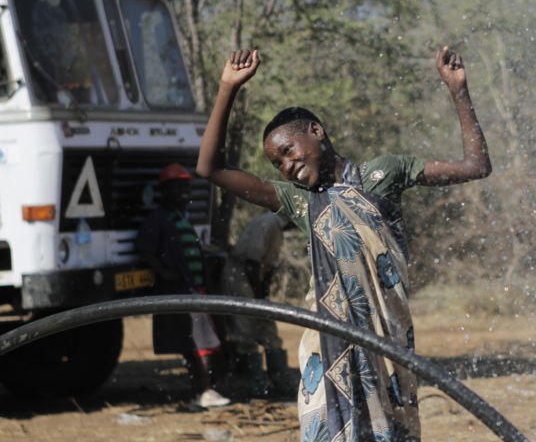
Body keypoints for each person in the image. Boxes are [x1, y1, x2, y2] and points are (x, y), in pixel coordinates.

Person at [197, 46, 489, 441]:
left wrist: (458, 92)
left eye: (288, 151)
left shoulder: (385, 173)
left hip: (387, 341)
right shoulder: (299, 202)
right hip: (327, 346)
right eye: (277, 165)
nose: (287, 166)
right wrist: (227, 88)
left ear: (316, 131)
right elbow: (210, 168)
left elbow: (476, 166)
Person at [136, 162, 231, 408]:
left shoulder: (181, 218)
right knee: (202, 342)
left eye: (185, 188)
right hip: (181, 290)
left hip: (194, 287)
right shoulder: (159, 218)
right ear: (165, 191)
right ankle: (205, 391)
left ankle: (199, 391)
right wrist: (165, 272)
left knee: (197, 342)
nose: (183, 193)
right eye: (176, 188)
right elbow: (145, 249)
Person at [221, 212, 299, 398]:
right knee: (246, 329)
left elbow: (267, 265)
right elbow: (251, 262)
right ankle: (254, 385)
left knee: (268, 331)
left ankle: (279, 380)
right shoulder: (268, 224)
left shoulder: (277, 229)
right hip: (240, 278)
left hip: (255, 279)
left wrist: (263, 294)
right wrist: (258, 296)